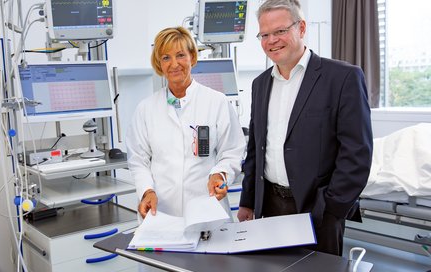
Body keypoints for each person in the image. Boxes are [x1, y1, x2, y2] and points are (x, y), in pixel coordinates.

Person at [237, 0, 373, 256]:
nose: (271, 40)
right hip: (271, 206)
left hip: (318, 208)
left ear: (301, 28)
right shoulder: (260, 84)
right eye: (264, 34)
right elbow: (256, 148)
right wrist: (247, 200)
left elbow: (357, 154)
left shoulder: (342, 78)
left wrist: (331, 209)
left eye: (280, 31)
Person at [126, 26, 246, 220]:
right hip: (162, 213)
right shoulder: (145, 109)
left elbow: (232, 151)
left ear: (192, 56)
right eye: (166, 58)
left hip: (208, 210)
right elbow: (138, 160)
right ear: (159, 64)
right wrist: (147, 191)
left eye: (180, 55)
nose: (174, 64)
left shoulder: (216, 102)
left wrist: (220, 175)